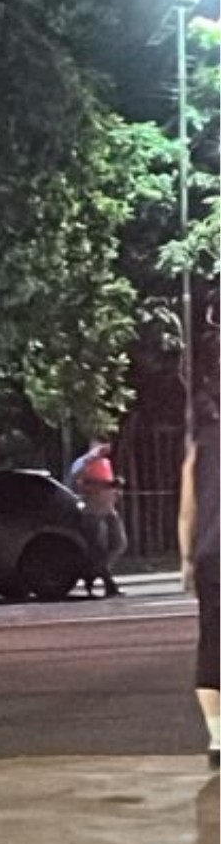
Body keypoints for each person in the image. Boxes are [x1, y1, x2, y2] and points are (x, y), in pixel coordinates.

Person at [181, 320, 219, 766]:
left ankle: (217, 738)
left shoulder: (203, 444)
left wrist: (186, 559)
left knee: (212, 642)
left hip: (212, 554)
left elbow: (186, 510)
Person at [68, 436, 127, 598]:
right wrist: (91, 457)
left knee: (118, 543)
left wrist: (116, 488)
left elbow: (108, 482)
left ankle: (92, 574)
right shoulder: (83, 462)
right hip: (92, 510)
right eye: (100, 444)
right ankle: (108, 584)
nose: (104, 448)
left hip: (108, 508)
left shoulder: (106, 463)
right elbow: (75, 478)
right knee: (97, 548)